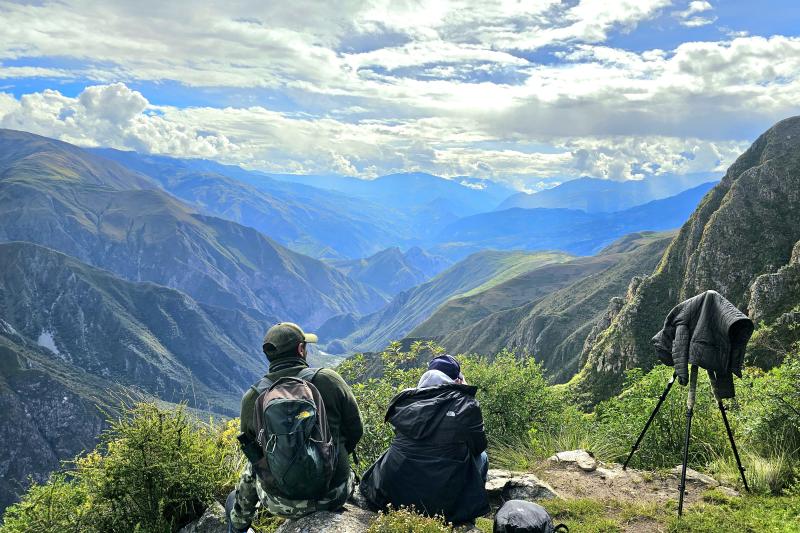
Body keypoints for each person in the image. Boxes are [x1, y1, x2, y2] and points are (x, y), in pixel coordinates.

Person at [226, 322, 363, 533]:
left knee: (250, 468)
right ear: (300, 349)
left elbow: (254, 451)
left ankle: (238, 525)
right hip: (334, 493)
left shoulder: (252, 397)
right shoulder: (328, 380)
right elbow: (356, 429)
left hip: (281, 502)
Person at [359, 354, 490, 524]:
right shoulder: (466, 404)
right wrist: (465, 392)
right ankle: (467, 517)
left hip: (393, 493)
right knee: (482, 457)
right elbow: (478, 446)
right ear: (457, 380)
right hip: (440, 500)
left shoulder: (405, 399)